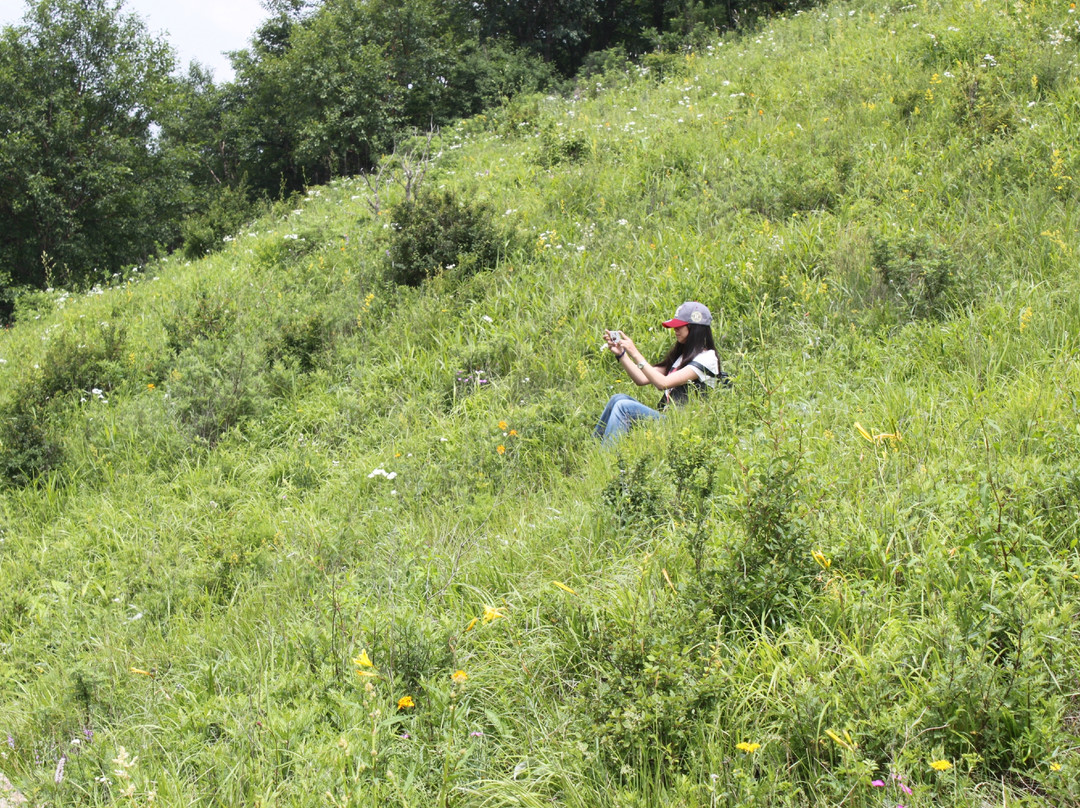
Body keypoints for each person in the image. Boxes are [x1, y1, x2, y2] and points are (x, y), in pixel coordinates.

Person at [593, 301, 725, 446]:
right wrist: (622, 355)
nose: (675, 329)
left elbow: (663, 383)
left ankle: (608, 455)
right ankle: (594, 449)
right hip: (664, 417)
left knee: (624, 407)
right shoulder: (681, 356)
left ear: (694, 328)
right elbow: (642, 378)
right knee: (617, 399)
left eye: (679, 325)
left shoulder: (707, 358)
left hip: (680, 425)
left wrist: (635, 353)